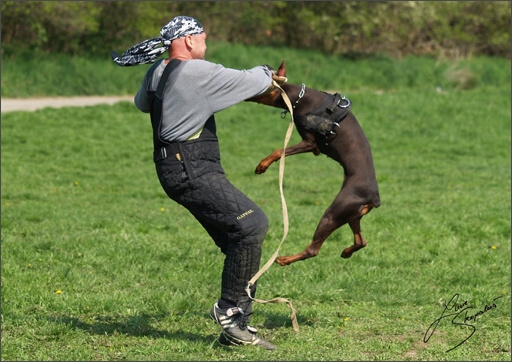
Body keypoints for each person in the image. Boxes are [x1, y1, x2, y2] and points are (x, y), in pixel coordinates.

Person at [112, 15, 286, 350]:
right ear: (189, 40)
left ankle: (235, 328)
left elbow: (141, 104)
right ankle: (230, 313)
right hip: (193, 168)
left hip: (172, 169)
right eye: (203, 37)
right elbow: (251, 80)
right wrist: (267, 72)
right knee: (251, 226)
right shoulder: (196, 71)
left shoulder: (156, 72)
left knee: (238, 240)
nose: (207, 43)